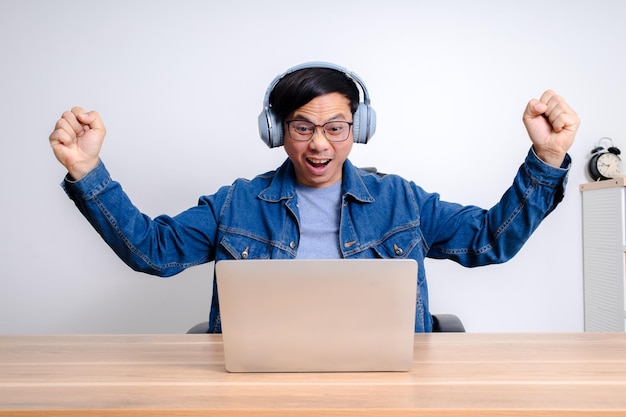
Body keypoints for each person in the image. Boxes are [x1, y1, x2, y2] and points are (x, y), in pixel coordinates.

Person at [49, 62, 579, 332]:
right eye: (302, 127)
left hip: (385, 390)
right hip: (258, 390)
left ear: (360, 128)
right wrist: (87, 170)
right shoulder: (237, 204)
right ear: (276, 131)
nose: (320, 143)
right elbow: (152, 250)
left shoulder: (402, 202)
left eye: (336, 126)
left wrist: (548, 157)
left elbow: (493, 239)